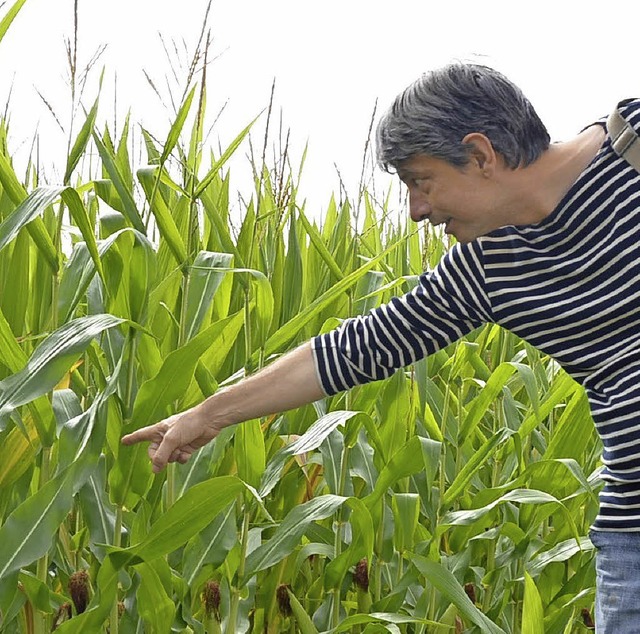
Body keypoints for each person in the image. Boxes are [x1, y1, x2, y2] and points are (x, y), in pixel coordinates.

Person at [122, 63, 640, 633]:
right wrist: (208, 414)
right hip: (632, 536)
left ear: (481, 154)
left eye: (422, 181)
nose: (417, 211)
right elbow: (360, 347)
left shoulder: (632, 148)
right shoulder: (487, 267)